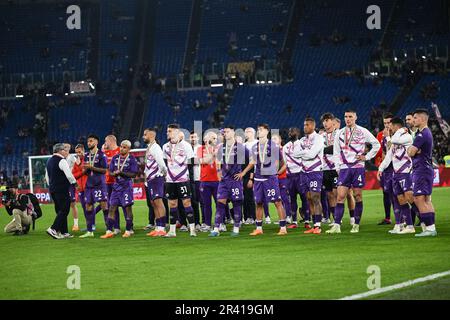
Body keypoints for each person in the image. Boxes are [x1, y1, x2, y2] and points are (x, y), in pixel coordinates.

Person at [327, 110, 380, 234]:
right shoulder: (340, 133)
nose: (348, 119)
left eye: (350, 116)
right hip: (344, 168)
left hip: (357, 167)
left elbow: (376, 145)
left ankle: (356, 224)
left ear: (355, 117)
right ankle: (337, 225)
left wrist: (366, 157)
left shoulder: (363, 131)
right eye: (345, 116)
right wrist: (337, 168)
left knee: (357, 195)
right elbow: (336, 152)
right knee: (340, 196)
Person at [239, 124, 287, 236]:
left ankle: (283, 227)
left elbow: (279, 161)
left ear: (267, 131)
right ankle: (259, 228)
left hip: (270, 178)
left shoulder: (273, 145)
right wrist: (244, 172)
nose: (258, 131)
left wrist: (273, 172)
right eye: (258, 130)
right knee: (258, 202)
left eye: (261, 129)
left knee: (277, 202)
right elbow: (252, 162)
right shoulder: (255, 147)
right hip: (258, 178)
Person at [378, 117, 415, 234]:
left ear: (395, 126)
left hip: (406, 172)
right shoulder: (396, 138)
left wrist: (392, 134)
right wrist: (381, 168)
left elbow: (394, 141)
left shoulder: (406, 137)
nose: (388, 127)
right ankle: (408, 226)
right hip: (396, 173)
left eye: (390, 125)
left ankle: (426, 222)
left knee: (410, 198)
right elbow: (389, 155)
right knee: (400, 200)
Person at [209, 126, 247, 237]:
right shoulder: (221, 147)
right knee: (220, 203)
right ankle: (216, 228)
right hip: (224, 181)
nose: (225, 133)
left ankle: (236, 228)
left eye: (228, 131)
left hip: (235, 180)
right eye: (224, 132)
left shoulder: (240, 147)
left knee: (236, 203)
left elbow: (253, 160)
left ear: (233, 133)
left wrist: (244, 173)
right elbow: (217, 159)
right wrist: (218, 170)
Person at [407, 109, 437, 237]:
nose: (413, 120)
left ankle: (429, 229)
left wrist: (412, 149)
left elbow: (410, 152)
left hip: (421, 170)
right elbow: (414, 151)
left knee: (419, 199)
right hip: (425, 169)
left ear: (423, 119)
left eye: (415, 118)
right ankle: (431, 228)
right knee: (426, 199)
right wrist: (414, 150)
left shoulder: (422, 135)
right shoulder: (425, 133)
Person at [162, 124, 197, 237]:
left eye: (170, 131)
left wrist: (183, 173)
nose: (168, 133)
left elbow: (191, 162)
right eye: (167, 131)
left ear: (177, 132)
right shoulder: (165, 146)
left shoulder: (185, 145)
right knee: (172, 203)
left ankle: (192, 229)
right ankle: (172, 231)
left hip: (182, 179)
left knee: (186, 202)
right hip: (170, 180)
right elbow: (165, 162)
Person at [101, 140, 139, 238]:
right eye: (121, 146)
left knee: (127, 208)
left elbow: (134, 174)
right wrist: (113, 174)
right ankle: (109, 231)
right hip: (116, 186)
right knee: (112, 207)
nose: (122, 148)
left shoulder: (132, 159)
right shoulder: (115, 158)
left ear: (129, 149)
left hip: (127, 187)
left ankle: (128, 229)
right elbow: (110, 170)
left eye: (124, 147)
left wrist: (121, 173)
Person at [294, 118, 325, 234]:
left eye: (307, 125)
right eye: (304, 125)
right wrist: (306, 153)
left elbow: (312, 154)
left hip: (315, 171)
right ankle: (314, 224)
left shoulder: (319, 138)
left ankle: (318, 226)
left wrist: (304, 153)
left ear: (312, 126)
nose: (304, 127)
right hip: (304, 172)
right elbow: (294, 154)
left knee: (315, 197)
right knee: (308, 198)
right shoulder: (302, 139)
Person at [45, 143, 77, 239]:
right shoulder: (62, 161)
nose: (65, 151)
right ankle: (53, 229)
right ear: (59, 151)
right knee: (64, 209)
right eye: (64, 150)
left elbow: (47, 176)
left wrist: (51, 185)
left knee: (60, 210)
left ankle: (64, 232)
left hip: (53, 189)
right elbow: (69, 175)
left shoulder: (49, 161)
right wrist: (75, 183)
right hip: (61, 189)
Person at [79, 135, 108, 238]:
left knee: (104, 205)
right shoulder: (87, 155)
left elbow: (105, 170)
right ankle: (90, 231)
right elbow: (87, 171)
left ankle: (109, 230)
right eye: (88, 141)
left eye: (91, 141)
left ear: (96, 142)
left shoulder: (101, 155)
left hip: (99, 184)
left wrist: (92, 167)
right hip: (89, 185)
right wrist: (85, 170)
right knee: (88, 206)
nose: (88, 143)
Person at [282, 127, 310, 229]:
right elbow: (285, 162)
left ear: (298, 133)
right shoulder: (285, 147)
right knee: (292, 199)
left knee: (304, 198)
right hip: (290, 176)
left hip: (300, 174)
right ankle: (294, 221)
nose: (291, 133)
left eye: (293, 132)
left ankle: (307, 221)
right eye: (289, 132)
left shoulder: (302, 144)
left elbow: (307, 157)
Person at [142, 128, 168, 237]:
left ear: (151, 135)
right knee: (154, 203)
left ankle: (162, 227)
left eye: (145, 134)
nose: (143, 136)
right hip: (151, 179)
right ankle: (158, 227)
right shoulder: (150, 148)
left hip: (157, 178)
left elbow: (161, 163)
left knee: (158, 202)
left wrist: (163, 174)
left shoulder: (156, 148)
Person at [198, 131, 219, 233]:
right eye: (213, 138)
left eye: (215, 138)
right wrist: (213, 155)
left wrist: (215, 154)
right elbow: (202, 161)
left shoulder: (219, 148)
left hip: (217, 180)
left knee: (220, 203)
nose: (215, 140)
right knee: (206, 204)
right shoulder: (200, 149)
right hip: (205, 180)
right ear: (206, 139)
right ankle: (207, 224)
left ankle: (220, 223)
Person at [375, 113, 394, 225]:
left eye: (389, 123)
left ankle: (409, 217)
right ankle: (387, 218)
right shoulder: (380, 134)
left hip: (397, 167)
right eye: (385, 123)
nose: (386, 125)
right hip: (385, 168)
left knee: (400, 193)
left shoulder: (397, 134)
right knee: (386, 192)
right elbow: (381, 151)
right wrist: (380, 164)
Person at [321, 113, 338, 224]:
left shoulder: (339, 134)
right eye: (324, 121)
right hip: (325, 168)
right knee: (329, 195)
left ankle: (342, 217)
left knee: (337, 194)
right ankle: (335, 219)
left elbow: (336, 149)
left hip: (336, 167)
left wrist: (324, 149)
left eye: (327, 120)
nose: (325, 123)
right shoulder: (321, 136)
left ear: (333, 121)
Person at [103, 135, 123, 234]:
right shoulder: (104, 153)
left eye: (106, 141)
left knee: (125, 204)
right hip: (108, 182)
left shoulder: (121, 150)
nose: (105, 143)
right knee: (112, 205)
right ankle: (117, 227)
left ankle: (130, 227)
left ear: (111, 141)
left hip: (119, 182)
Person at [72, 144, 88, 230]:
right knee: (85, 208)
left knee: (91, 207)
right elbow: (74, 175)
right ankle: (89, 226)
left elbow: (88, 172)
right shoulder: (76, 163)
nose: (78, 154)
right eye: (76, 152)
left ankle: (91, 224)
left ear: (83, 151)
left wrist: (82, 171)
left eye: (79, 152)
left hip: (89, 188)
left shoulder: (88, 159)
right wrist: (81, 171)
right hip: (81, 189)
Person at [242, 127, 257, 225]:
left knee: (252, 197)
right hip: (245, 173)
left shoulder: (258, 143)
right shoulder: (243, 145)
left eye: (249, 131)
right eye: (246, 131)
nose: (247, 133)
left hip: (256, 172)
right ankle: (247, 217)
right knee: (244, 196)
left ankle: (254, 217)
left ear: (254, 133)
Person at [189, 131, 202, 230]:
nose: (193, 139)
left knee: (202, 202)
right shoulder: (187, 148)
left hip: (199, 178)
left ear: (198, 138)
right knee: (193, 202)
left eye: (195, 137)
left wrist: (190, 160)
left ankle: (205, 222)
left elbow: (202, 160)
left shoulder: (201, 148)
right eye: (191, 137)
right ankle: (196, 222)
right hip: (189, 179)